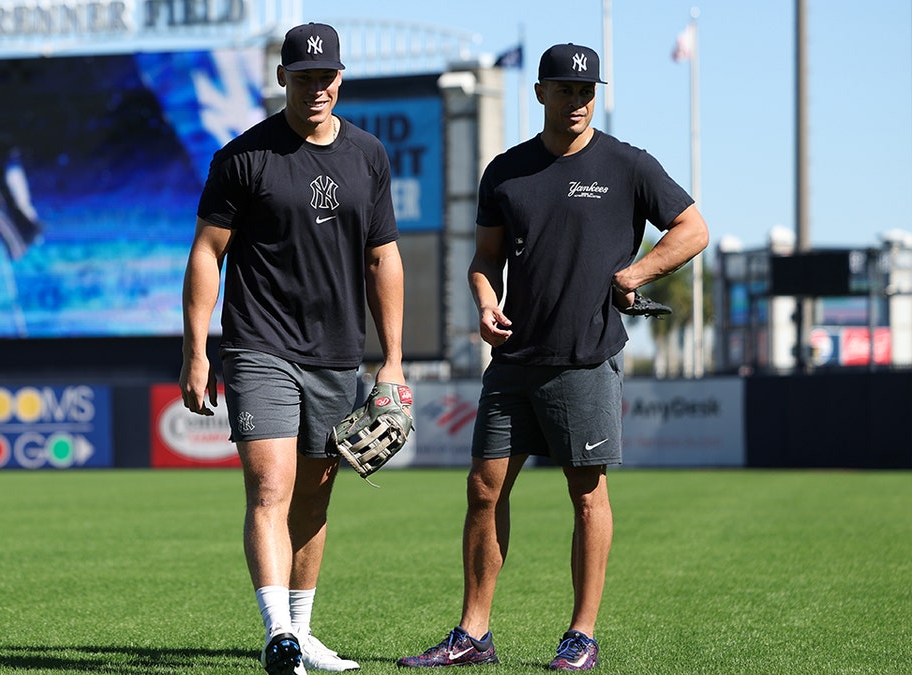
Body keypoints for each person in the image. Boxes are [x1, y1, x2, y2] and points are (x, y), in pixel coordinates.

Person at [397, 43, 708, 671]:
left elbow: (693, 229)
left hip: (585, 360)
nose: (578, 100)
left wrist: (636, 273)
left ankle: (582, 635)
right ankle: (473, 633)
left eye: (588, 89)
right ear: (540, 93)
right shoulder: (506, 171)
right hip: (514, 361)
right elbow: (485, 259)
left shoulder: (628, 165)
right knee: (483, 490)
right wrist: (485, 301)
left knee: (587, 492)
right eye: (565, 89)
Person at [180, 21, 408, 675]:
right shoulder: (242, 157)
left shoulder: (369, 156)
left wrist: (391, 360)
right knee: (270, 486)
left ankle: (303, 632)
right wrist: (198, 349)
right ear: (282, 78)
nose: (317, 87)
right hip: (259, 344)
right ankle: (278, 632)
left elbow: (383, 260)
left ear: (341, 77)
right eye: (304, 76)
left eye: (326, 75)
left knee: (315, 493)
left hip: (338, 353)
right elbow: (206, 255)